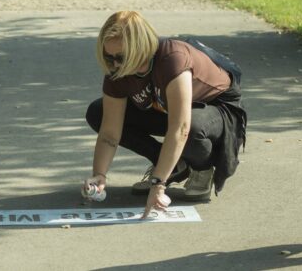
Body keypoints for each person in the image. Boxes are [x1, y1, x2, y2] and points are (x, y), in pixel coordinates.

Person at [83, 11, 247, 217]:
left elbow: (180, 129)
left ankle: (202, 168)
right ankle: (175, 165)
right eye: (109, 57)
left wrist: (157, 184)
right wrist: (99, 174)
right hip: (165, 107)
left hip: (216, 107)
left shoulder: (172, 59)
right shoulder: (118, 72)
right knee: (98, 112)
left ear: (139, 49)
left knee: (192, 127)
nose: (115, 64)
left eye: (121, 57)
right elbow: (109, 133)